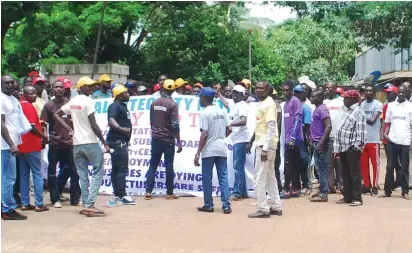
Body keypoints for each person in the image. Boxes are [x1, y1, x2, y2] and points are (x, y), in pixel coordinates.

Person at [55, 76, 110, 216]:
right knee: (98, 172)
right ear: (81, 88)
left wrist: (69, 128)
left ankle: (86, 203)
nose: (91, 88)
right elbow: (93, 123)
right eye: (88, 86)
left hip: (77, 144)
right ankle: (90, 204)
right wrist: (104, 141)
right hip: (90, 142)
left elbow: (57, 114)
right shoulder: (88, 101)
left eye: (91, 85)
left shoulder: (73, 101)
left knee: (83, 174)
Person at [41, 80, 81, 208]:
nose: (59, 89)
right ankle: (55, 199)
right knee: (52, 172)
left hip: (69, 143)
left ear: (64, 89)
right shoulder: (48, 106)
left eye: (61, 87)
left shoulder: (69, 104)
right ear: (52, 89)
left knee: (74, 171)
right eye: (56, 87)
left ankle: (75, 199)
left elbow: (74, 121)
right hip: (54, 143)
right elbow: (43, 124)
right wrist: (44, 137)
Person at [246, 81, 282, 218]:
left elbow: (272, 127)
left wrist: (265, 148)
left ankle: (263, 208)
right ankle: (276, 206)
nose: (259, 90)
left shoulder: (268, 104)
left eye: (262, 88)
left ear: (268, 90)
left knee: (259, 179)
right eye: (257, 88)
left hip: (265, 146)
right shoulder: (264, 103)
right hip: (268, 145)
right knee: (270, 177)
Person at [193, 87, 231, 214]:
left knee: (207, 178)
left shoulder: (205, 113)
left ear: (204, 98)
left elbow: (204, 134)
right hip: (221, 148)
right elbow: (229, 129)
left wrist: (198, 153)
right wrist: (221, 137)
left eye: (200, 97)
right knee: (223, 177)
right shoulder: (222, 111)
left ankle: (208, 204)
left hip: (209, 149)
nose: (199, 99)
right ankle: (226, 205)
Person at [145, 79, 182, 200]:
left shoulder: (154, 103)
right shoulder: (173, 104)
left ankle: (148, 191)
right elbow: (175, 124)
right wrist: (179, 141)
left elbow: (151, 121)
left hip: (156, 138)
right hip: (168, 139)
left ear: (162, 89)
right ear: (172, 91)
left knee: (153, 165)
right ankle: (170, 193)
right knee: (169, 166)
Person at [1, 75, 31, 220]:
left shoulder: (12, 99)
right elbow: (1, 124)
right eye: (7, 82)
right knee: (7, 179)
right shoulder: (1, 99)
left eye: (13, 82)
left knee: (10, 178)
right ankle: (7, 209)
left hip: (11, 145)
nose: (11, 85)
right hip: (4, 146)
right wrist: (11, 144)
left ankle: (5, 206)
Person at [18, 86, 49, 212]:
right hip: (31, 144)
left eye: (35, 93)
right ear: (24, 94)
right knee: (37, 174)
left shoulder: (18, 105)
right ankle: (39, 203)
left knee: (24, 175)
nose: (34, 95)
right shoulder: (28, 106)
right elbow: (32, 126)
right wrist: (44, 136)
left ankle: (25, 203)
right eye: (31, 93)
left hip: (21, 145)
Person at [334, 90, 366, 206]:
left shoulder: (359, 112)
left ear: (352, 99)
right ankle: (347, 196)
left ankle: (357, 198)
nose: (343, 100)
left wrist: (356, 147)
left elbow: (361, 134)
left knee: (355, 174)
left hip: (352, 148)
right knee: (345, 173)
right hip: (343, 148)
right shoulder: (347, 111)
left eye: (346, 98)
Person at [217, 85, 249, 200]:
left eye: (237, 93)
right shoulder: (235, 104)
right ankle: (243, 192)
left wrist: (230, 124)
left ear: (242, 95)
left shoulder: (242, 105)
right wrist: (219, 93)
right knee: (239, 166)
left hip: (241, 139)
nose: (234, 94)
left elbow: (243, 120)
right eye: (233, 92)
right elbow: (226, 104)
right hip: (236, 139)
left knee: (237, 166)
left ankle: (237, 193)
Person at [106, 84, 136, 204]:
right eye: (126, 93)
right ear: (119, 95)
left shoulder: (122, 106)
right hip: (118, 141)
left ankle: (118, 194)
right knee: (122, 168)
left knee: (117, 168)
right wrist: (121, 129)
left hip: (120, 141)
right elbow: (111, 120)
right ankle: (122, 194)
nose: (128, 94)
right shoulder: (115, 106)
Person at [382, 85, 411, 199]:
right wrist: (385, 133)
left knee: (404, 167)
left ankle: (405, 191)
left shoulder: (410, 106)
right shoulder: (391, 105)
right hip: (392, 140)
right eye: (400, 92)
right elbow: (387, 121)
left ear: (406, 93)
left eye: (403, 92)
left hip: (405, 140)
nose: (401, 94)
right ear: (397, 92)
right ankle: (387, 191)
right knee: (389, 166)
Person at [360, 84, 383, 196]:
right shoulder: (361, 104)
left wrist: (361, 116)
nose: (368, 93)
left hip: (373, 139)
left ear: (374, 93)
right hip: (363, 139)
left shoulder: (378, 104)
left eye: (370, 91)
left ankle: (374, 186)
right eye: (366, 91)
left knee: (375, 164)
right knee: (363, 164)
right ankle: (366, 185)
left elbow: (373, 120)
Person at [281, 81, 303, 198]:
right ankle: (294, 188)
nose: (285, 92)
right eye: (283, 90)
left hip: (294, 138)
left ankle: (288, 188)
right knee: (291, 163)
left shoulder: (296, 101)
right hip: (287, 137)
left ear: (292, 90)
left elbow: (298, 119)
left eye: (287, 90)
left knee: (291, 163)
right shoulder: (285, 104)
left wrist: (293, 137)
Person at [309, 90, 332, 202]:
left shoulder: (322, 109)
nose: (311, 98)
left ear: (319, 97)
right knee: (319, 168)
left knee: (322, 168)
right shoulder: (317, 108)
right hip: (316, 142)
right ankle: (323, 189)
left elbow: (328, 126)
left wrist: (321, 143)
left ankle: (324, 194)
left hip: (320, 143)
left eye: (313, 96)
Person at [323, 82, 344, 193]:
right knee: (329, 162)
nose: (327, 90)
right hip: (328, 136)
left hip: (339, 136)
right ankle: (330, 185)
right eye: (325, 88)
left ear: (335, 89)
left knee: (339, 162)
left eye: (329, 88)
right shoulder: (324, 102)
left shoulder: (341, 101)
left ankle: (341, 184)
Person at [294, 85, 312, 196]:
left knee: (305, 162)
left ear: (303, 94)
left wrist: (308, 140)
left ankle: (307, 185)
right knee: (297, 162)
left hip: (303, 138)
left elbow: (307, 126)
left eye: (298, 93)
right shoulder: (293, 105)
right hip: (294, 139)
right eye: (295, 92)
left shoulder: (305, 107)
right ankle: (298, 185)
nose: (296, 95)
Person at [381, 85, 400, 190]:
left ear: (395, 93)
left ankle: (400, 183)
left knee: (399, 163)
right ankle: (390, 184)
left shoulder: (403, 105)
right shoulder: (386, 106)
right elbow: (385, 122)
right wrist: (383, 133)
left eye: (390, 92)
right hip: (388, 138)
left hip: (400, 137)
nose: (387, 94)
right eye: (387, 93)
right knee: (390, 163)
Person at [268, 86, 283, 193]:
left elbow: (276, 125)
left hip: (273, 139)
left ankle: (277, 188)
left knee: (274, 165)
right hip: (273, 139)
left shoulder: (274, 105)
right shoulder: (272, 104)